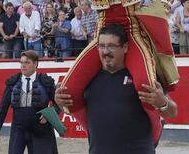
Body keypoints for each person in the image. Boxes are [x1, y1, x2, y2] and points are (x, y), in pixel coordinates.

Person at [47, 0, 179, 143]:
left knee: (147, 86)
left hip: (133, 32)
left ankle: (154, 131)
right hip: (103, 34)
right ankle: (97, 134)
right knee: (66, 92)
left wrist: (160, 9)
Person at [55, 24, 177, 154]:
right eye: (101, 46)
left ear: (125, 47)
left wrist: (163, 103)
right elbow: (72, 110)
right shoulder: (88, 80)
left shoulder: (141, 77)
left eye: (111, 46)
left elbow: (172, 112)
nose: (105, 51)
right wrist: (60, 102)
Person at [0, 50, 59, 154]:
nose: (23, 66)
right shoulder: (13, 82)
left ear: (35, 64)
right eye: (21, 63)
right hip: (19, 128)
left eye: (27, 63)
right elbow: (3, 107)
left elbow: (59, 103)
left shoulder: (45, 82)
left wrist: (49, 115)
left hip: (40, 129)